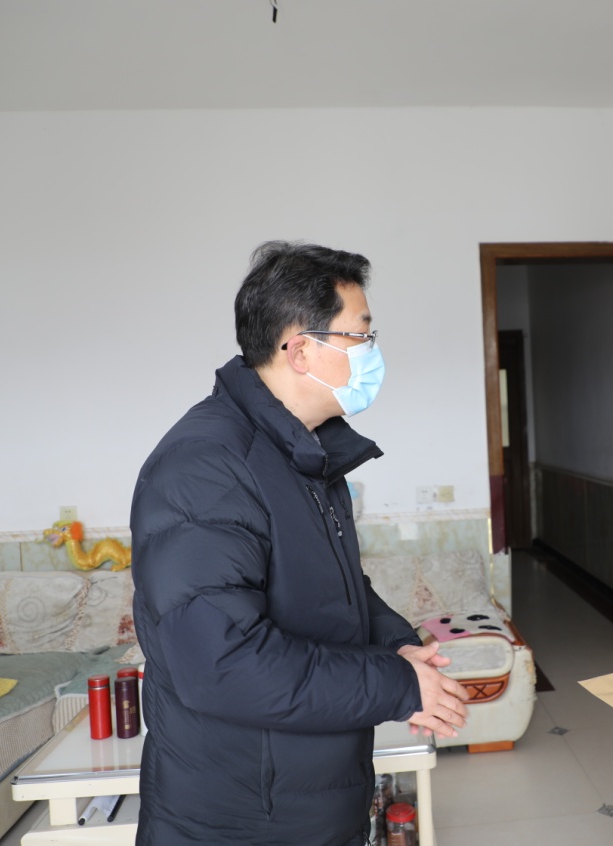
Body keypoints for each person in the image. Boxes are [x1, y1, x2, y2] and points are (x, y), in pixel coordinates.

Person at [129, 240, 469, 846]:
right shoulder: (205, 466)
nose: (372, 352)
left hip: (307, 801)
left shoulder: (304, 450)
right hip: (241, 820)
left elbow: (335, 589)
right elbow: (223, 663)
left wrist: (396, 646)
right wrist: (394, 685)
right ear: (301, 349)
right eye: (360, 335)